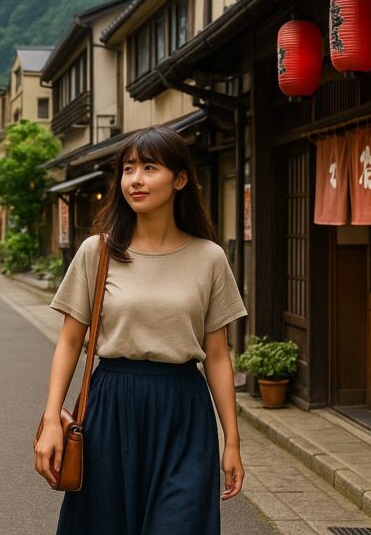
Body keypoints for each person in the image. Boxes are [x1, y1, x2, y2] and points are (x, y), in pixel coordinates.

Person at [34, 125, 248, 534]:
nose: (135, 179)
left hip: (184, 413)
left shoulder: (209, 257)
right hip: (110, 409)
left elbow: (219, 356)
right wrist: (51, 421)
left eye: (150, 168)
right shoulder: (98, 251)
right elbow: (69, 342)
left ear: (180, 180)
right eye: (128, 168)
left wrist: (232, 442)